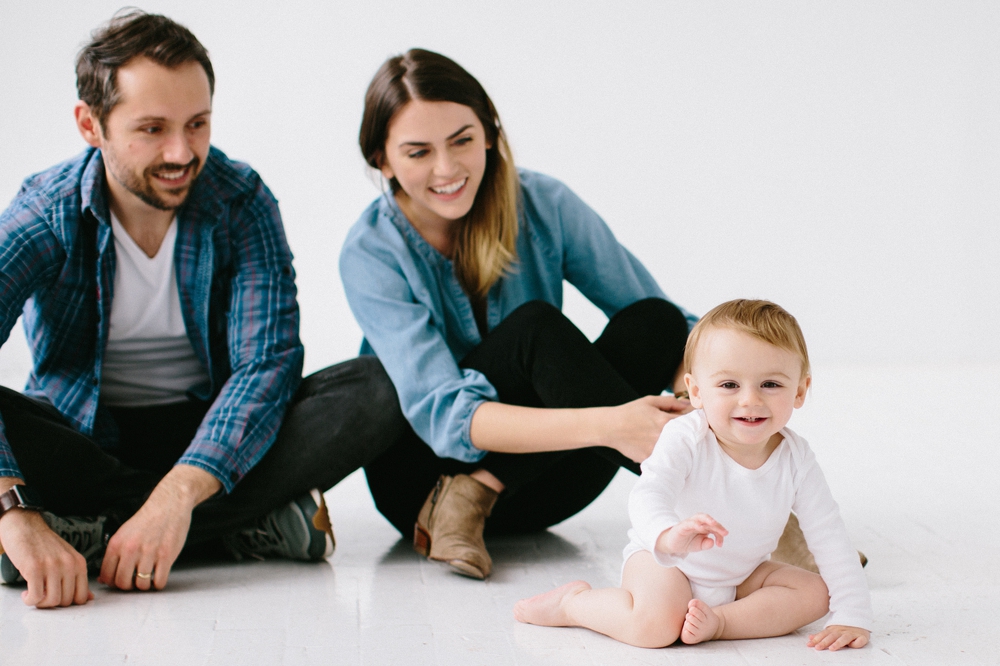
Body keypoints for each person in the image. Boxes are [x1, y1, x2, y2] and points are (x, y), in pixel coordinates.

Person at [0, 10, 407, 609]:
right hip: (85, 438)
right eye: (152, 128)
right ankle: (243, 526)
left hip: (213, 442)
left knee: (379, 385)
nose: (181, 151)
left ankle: (98, 533)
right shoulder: (47, 211)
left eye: (197, 124)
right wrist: (13, 513)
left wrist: (177, 495)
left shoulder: (240, 200)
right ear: (91, 125)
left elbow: (266, 365)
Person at [340, 48, 698, 581]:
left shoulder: (543, 202)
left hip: (546, 486)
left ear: (489, 132)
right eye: (418, 152)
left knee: (658, 322)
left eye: (462, 140)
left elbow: (672, 329)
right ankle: (744, 521)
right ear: (382, 160)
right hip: (422, 493)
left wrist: (717, 407)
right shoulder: (370, 252)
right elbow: (447, 418)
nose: (447, 169)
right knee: (535, 330)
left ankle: (483, 487)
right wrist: (616, 422)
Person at [514, 300, 873, 651]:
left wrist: (853, 613)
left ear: (799, 391)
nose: (750, 400)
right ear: (697, 391)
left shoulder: (796, 457)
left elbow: (828, 534)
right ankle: (573, 604)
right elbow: (649, 493)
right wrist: (667, 536)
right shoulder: (687, 436)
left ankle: (722, 622)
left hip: (743, 575)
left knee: (817, 593)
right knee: (654, 628)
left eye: (771, 385)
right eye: (729, 385)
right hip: (668, 564)